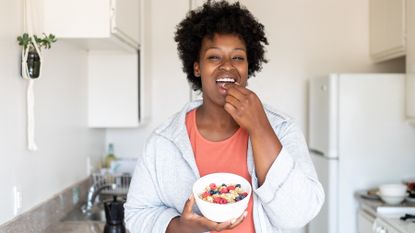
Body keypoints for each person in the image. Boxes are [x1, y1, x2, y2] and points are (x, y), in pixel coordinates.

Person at [124, 1, 324, 232]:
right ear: (197, 67)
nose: (227, 66)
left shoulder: (282, 128)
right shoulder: (164, 141)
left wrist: (260, 127)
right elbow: (136, 214)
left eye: (238, 58)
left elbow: (300, 215)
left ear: (249, 66)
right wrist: (180, 227)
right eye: (214, 57)